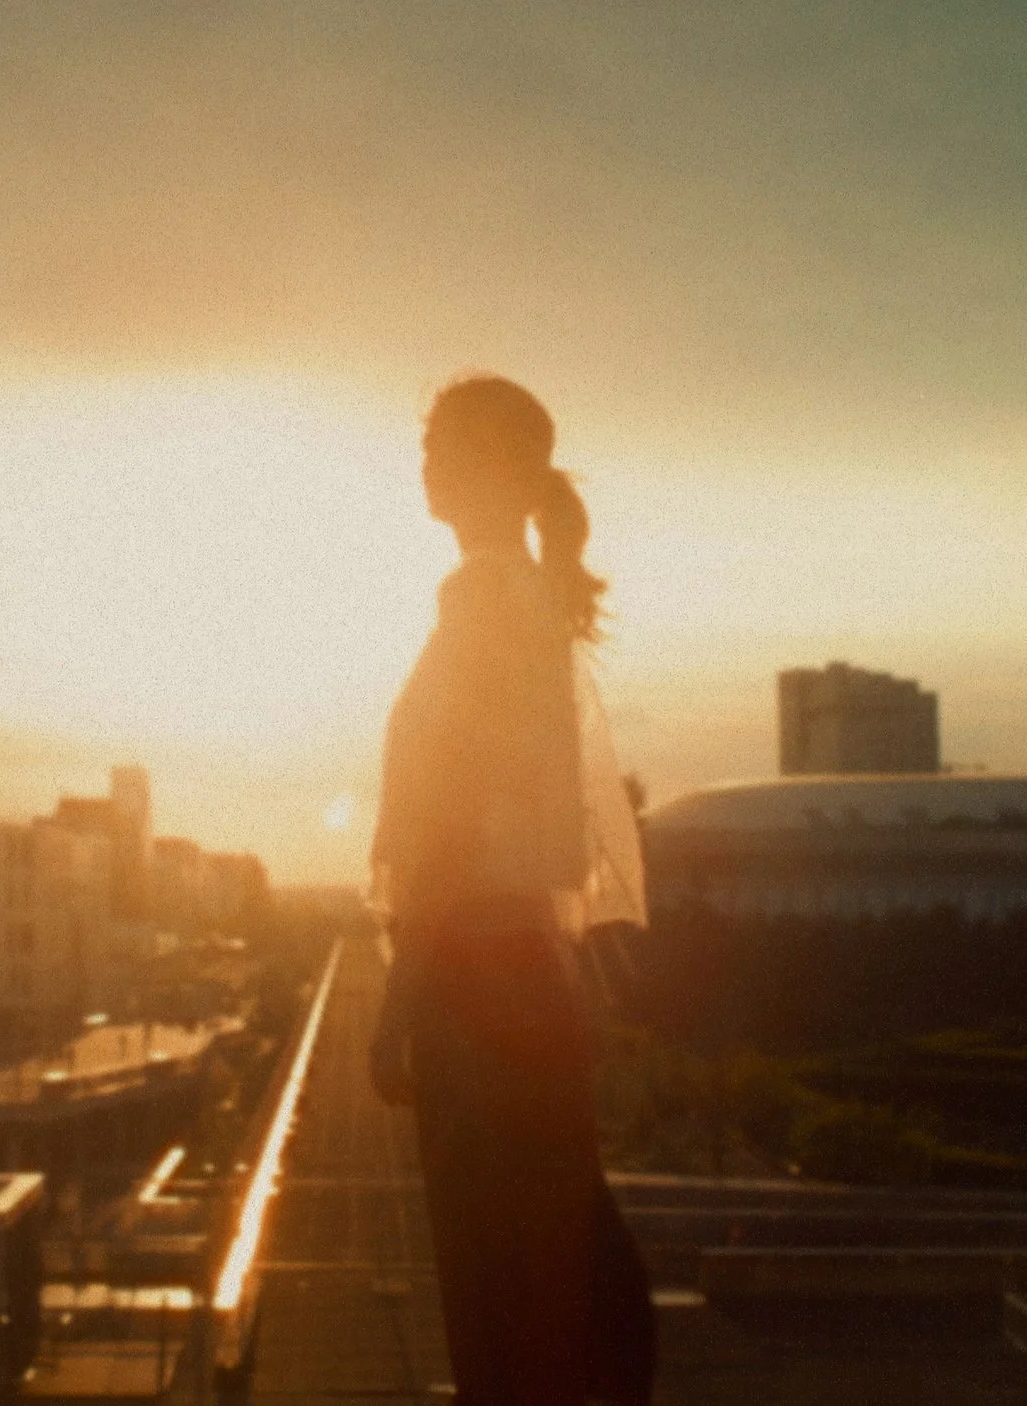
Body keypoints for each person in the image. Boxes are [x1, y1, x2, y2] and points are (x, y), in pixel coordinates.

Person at [368, 374, 655, 1406]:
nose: (425, 464)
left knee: (499, 1290)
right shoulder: (523, 598)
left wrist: (398, 997)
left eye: (444, 445)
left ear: (496, 468)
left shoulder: (486, 601)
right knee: (552, 1270)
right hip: (523, 973)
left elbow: (457, 817)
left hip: (475, 976)